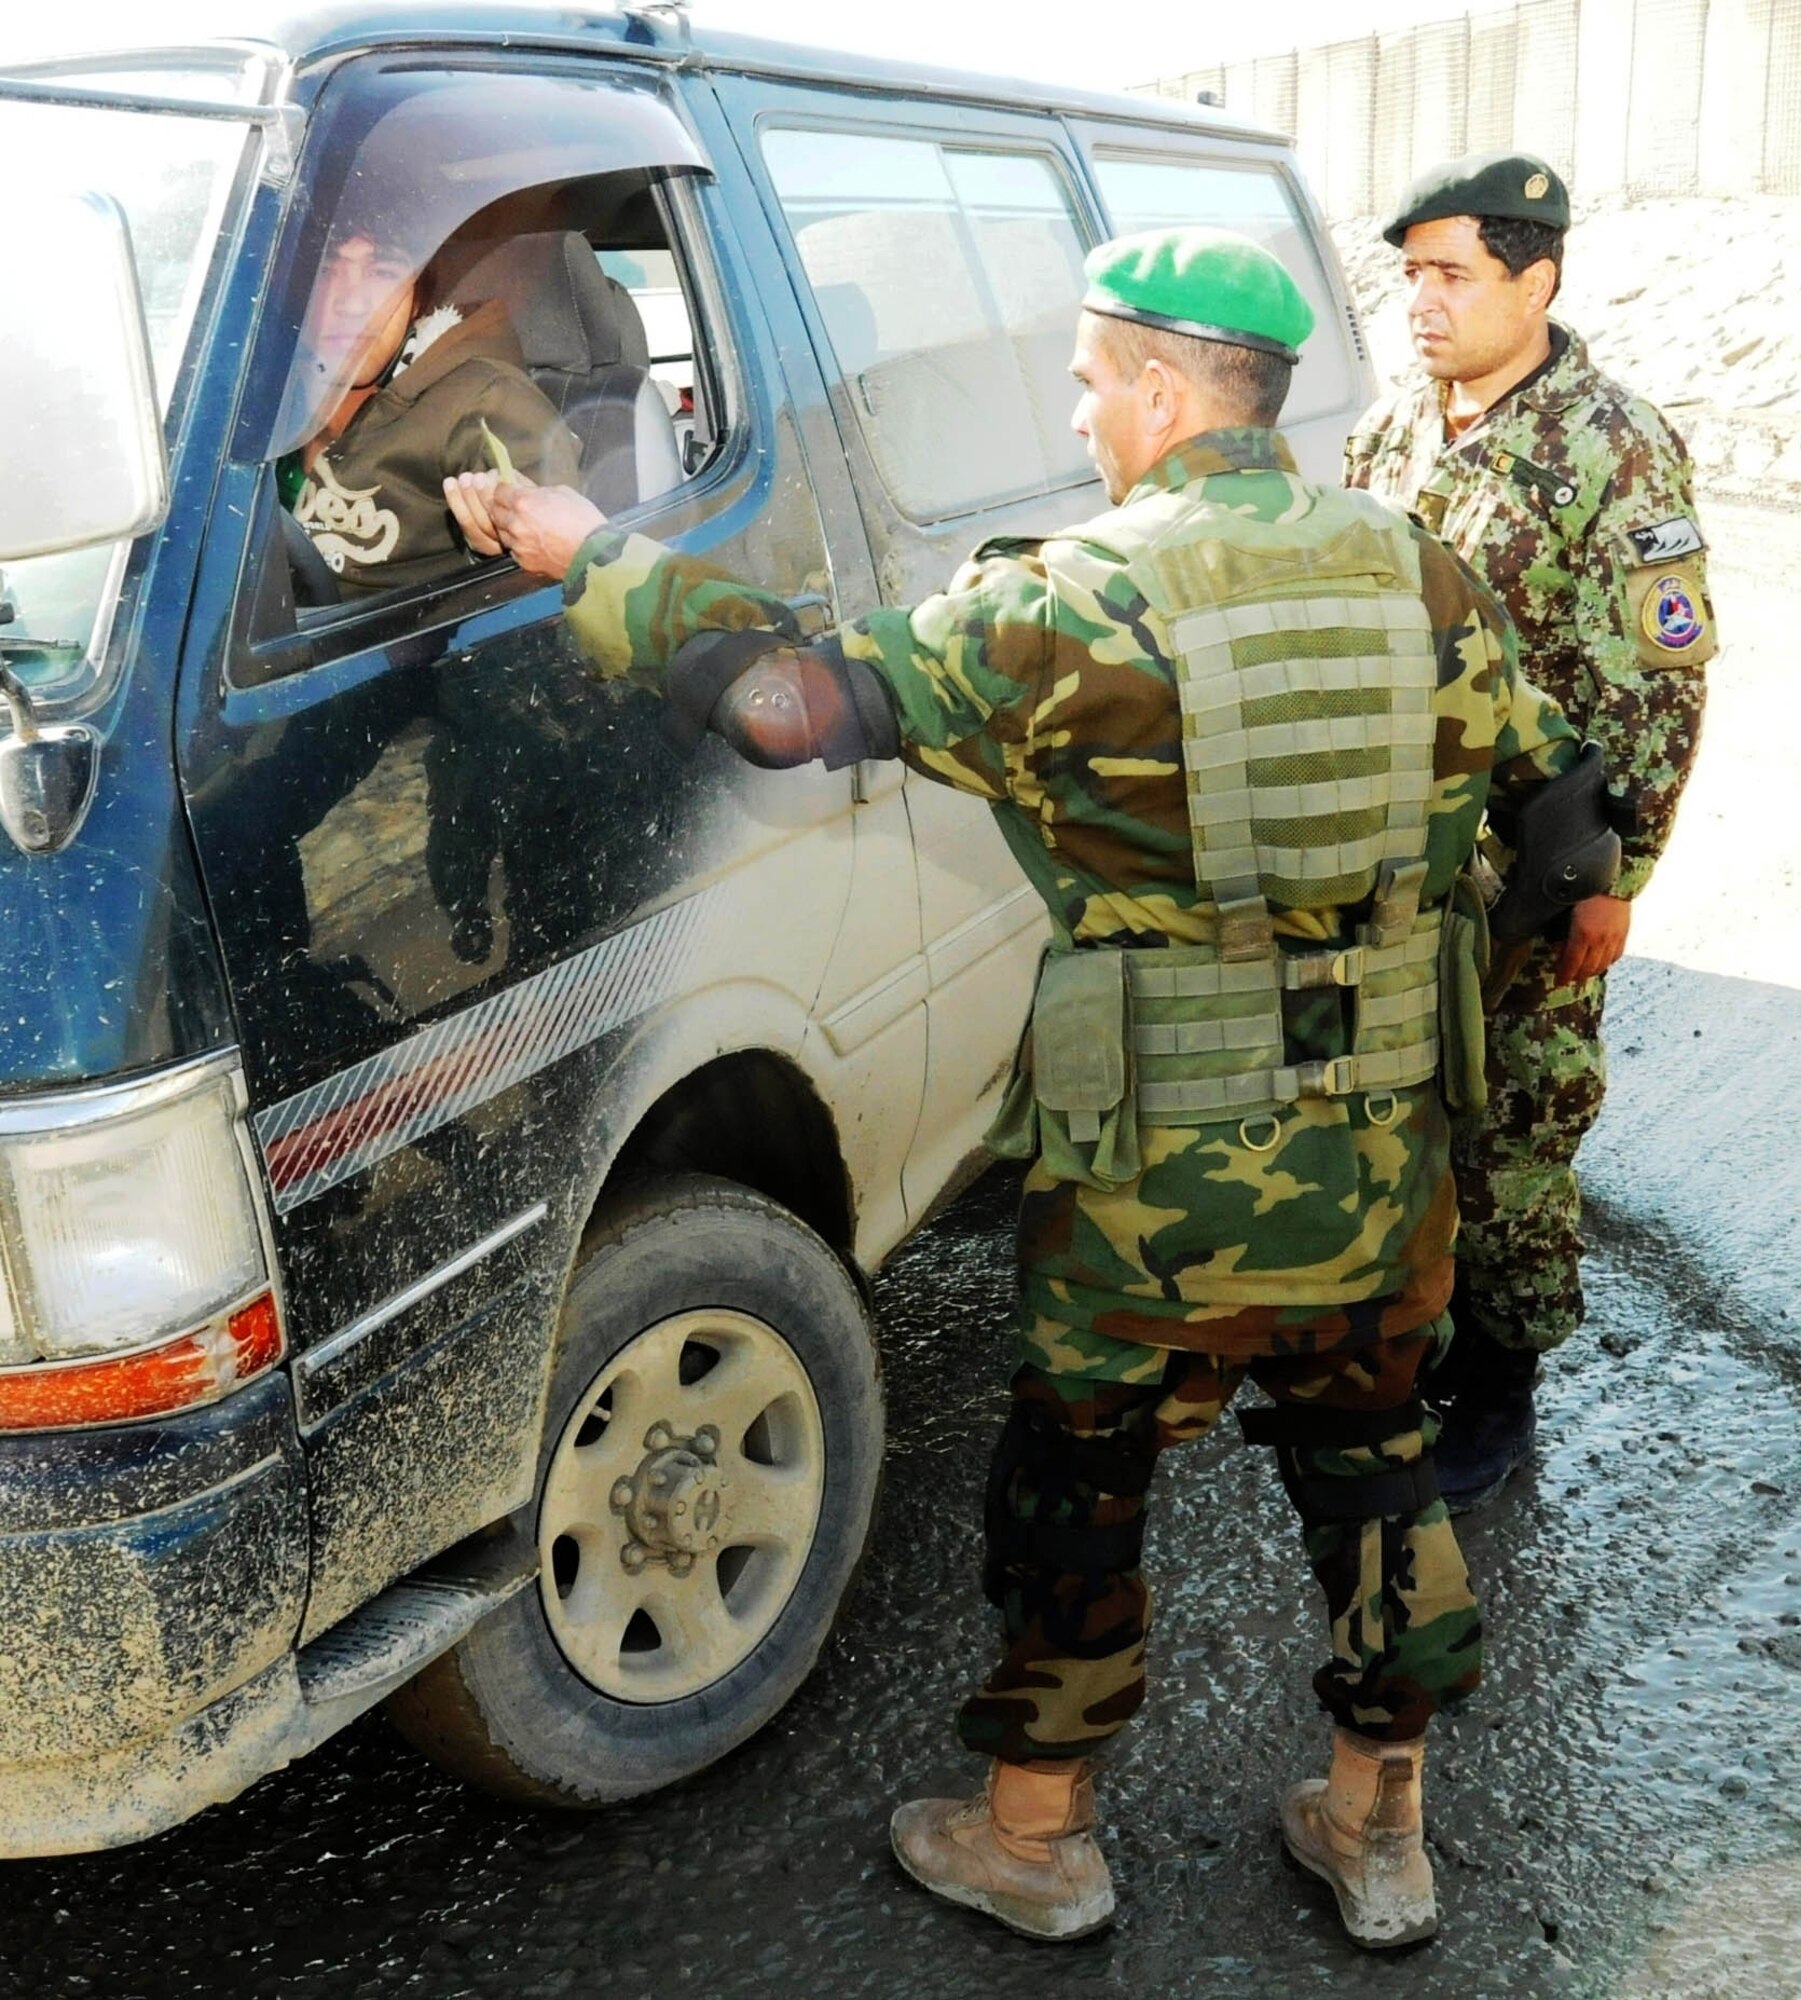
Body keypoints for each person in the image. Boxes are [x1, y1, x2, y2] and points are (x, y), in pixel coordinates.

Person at [467, 227, 1605, 1951]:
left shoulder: (1074, 600)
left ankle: (1038, 1840)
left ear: (1161, 388)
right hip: (1382, 1163)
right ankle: (1381, 1836)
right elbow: (1564, 814)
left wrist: (587, 554)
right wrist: (1436, 1013)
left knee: (1081, 1482)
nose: (1079, 420)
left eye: (1087, 383)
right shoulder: (1417, 569)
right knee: (1376, 1465)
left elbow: (791, 703)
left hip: (1152, 1180)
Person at [1345, 152, 1716, 1511]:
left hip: (1531, 870)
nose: (1421, 304)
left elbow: (1659, 693)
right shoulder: (1398, 429)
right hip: (1402, 866)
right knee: (1403, 1115)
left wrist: (1610, 883)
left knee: (1515, 1134)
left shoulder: (1615, 446)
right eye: (1411, 277)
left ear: (1535, 278)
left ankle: (1499, 1389)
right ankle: (1417, 1337)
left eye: (1451, 275)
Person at [283, 222, 580, 594]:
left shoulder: (484, 399)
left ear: (417, 299)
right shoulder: (260, 396)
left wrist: (492, 549)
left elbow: (560, 575)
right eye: (326, 271)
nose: (352, 302)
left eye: (383, 272)